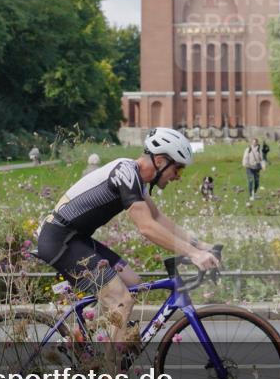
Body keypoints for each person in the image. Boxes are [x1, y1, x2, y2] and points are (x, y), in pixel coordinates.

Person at [36, 127, 219, 356]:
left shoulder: (137, 180)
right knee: (121, 300)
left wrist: (200, 245)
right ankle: (107, 377)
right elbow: (147, 227)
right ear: (160, 161)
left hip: (76, 238)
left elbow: (158, 218)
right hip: (58, 239)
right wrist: (193, 254)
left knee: (132, 282)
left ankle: (83, 337)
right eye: (178, 168)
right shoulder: (125, 173)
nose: (178, 176)